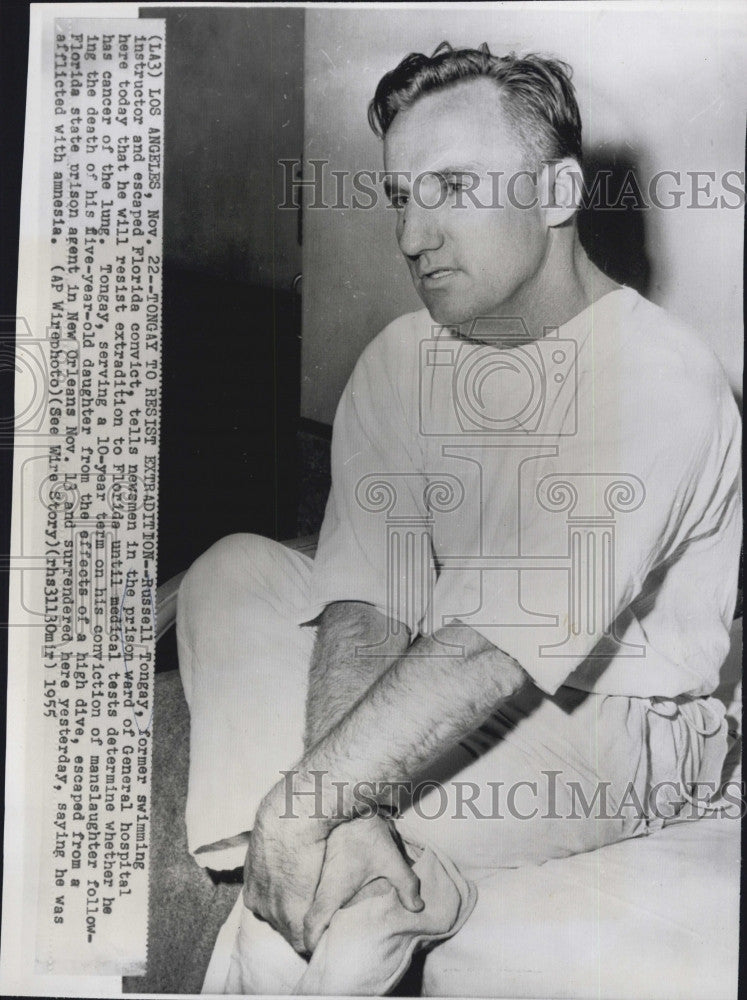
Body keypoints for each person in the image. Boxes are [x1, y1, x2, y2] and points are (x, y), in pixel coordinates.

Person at [176, 42, 741, 986]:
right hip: (452, 647)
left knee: (378, 807)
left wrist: (302, 801)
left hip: (623, 719)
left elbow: (489, 644)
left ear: (557, 196)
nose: (410, 235)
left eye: (452, 188)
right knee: (235, 568)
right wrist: (331, 793)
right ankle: (354, 867)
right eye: (403, 195)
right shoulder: (404, 356)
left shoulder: (658, 379)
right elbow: (367, 599)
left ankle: (332, 888)